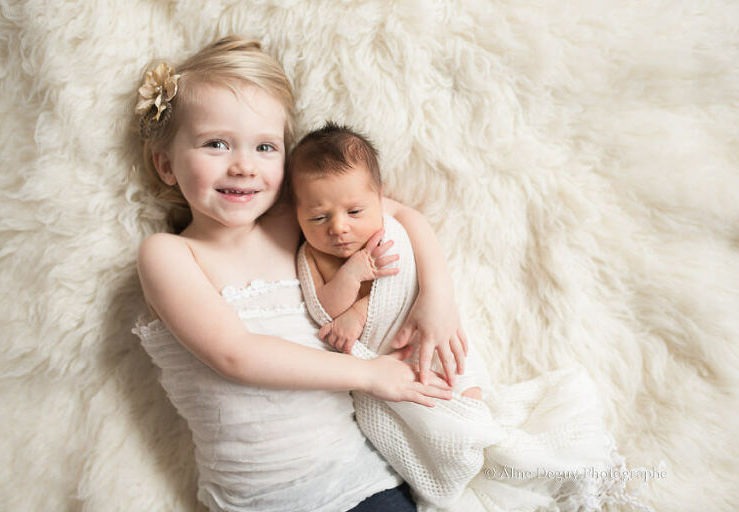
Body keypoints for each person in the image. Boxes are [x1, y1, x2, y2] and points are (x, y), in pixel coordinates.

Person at [130, 36, 468, 512]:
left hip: (361, 482)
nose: (244, 165)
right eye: (216, 144)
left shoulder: (300, 223)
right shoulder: (168, 254)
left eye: (265, 146)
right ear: (165, 164)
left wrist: (437, 294)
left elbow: (403, 218)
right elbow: (237, 355)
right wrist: (370, 375)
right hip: (256, 499)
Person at [287, 123, 653, 512]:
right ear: (296, 214)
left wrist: (396, 303)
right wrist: (352, 276)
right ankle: (469, 457)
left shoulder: (388, 230)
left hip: (422, 339)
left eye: (354, 211)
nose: (339, 227)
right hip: (385, 368)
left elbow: (404, 279)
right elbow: (324, 308)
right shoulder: (313, 256)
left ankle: (504, 450)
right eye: (317, 218)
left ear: (379, 198)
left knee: (464, 387)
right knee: (441, 429)